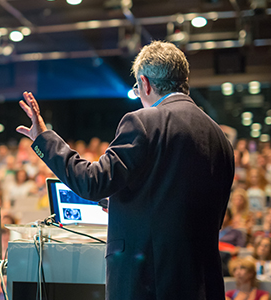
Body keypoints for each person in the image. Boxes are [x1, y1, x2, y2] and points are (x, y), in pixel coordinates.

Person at [16, 41, 235, 299]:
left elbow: (91, 182)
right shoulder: (219, 137)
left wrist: (44, 138)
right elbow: (197, 213)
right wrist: (126, 204)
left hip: (148, 283)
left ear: (145, 83)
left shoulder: (144, 121)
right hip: (202, 285)